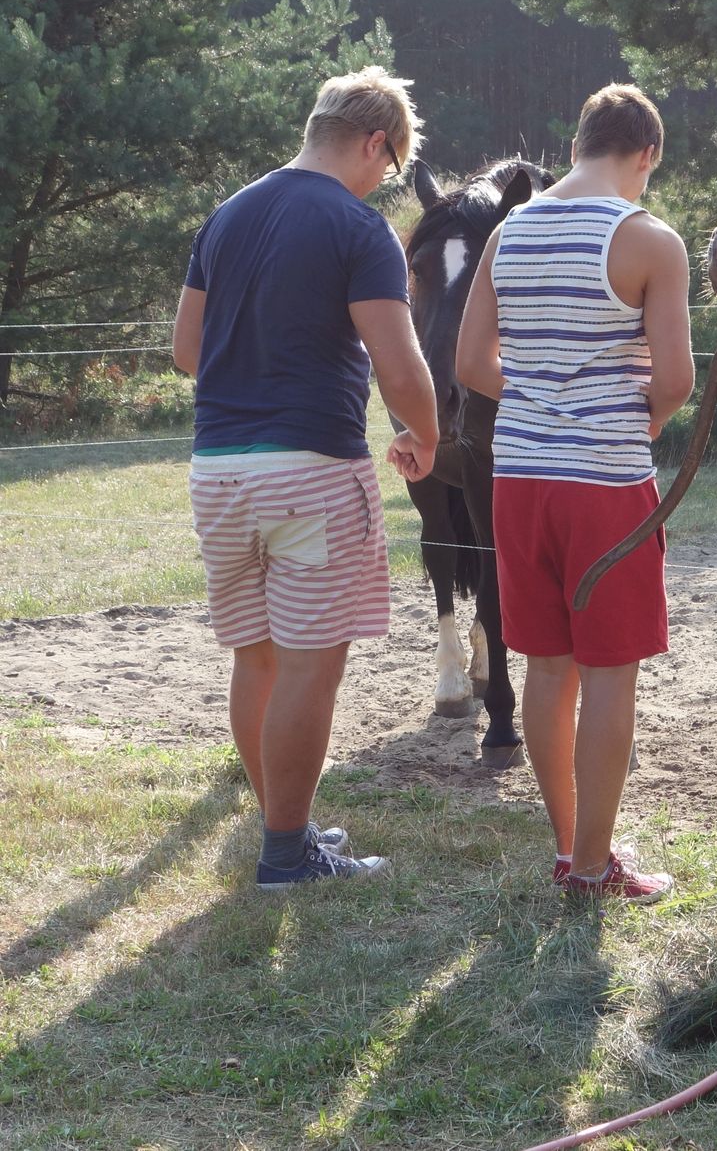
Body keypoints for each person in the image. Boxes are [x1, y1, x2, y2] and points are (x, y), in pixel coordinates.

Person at [173, 66, 439, 889]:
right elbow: (399, 366)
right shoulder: (358, 231)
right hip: (310, 471)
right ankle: (287, 855)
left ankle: (279, 827)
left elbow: (187, 353)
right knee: (309, 667)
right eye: (390, 167)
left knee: (255, 661)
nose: (385, 182)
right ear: (373, 143)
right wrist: (424, 435)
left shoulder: (226, 215)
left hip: (217, 471)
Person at [457, 84, 693, 906]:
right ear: (646, 155)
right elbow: (677, 378)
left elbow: (470, 365)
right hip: (605, 484)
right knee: (611, 673)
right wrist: (644, 420)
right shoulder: (649, 241)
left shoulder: (508, 231)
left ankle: (567, 851)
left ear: (579, 141)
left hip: (519, 479)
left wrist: (537, 397)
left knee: (547, 668)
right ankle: (595, 868)